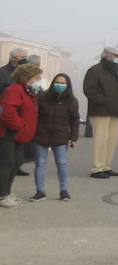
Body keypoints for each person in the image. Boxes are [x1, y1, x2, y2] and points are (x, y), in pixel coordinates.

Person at [32, 72, 80, 201]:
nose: (60, 85)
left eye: (63, 83)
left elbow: (74, 120)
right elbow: (34, 116)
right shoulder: (42, 97)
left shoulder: (72, 101)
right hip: (41, 136)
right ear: (53, 83)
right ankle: (40, 191)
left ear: (68, 85)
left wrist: (73, 138)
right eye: (58, 82)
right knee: (40, 164)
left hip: (61, 137)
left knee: (62, 164)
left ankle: (64, 191)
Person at [0, 64, 42, 207]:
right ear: (27, 77)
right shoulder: (14, 90)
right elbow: (8, 112)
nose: (39, 80)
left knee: (16, 163)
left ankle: (7, 191)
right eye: (37, 77)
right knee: (6, 164)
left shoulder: (30, 91)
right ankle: (2, 195)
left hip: (20, 136)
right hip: (8, 134)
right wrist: (20, 126)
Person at [83, 47, 118, 179]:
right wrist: (104, 101)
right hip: (100, 111)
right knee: (101, 140)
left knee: (112, 141)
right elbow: (89, 90)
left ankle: (106, 166)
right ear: (106, 55)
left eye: (116, 57)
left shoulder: (112, 72)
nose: (115, 59)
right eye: (113, 56)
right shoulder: (95, 70)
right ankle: (97, 168)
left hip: (114, 111)